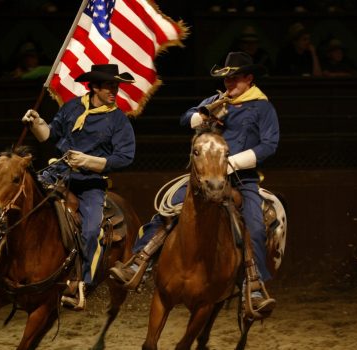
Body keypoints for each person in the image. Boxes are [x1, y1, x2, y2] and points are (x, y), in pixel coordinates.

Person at [109, 52, 279, 317]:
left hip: (240, 178)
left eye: (235, 78)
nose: (230, 83)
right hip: (202, 177)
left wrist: (231, 163)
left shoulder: (262, 107)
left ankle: (254, 285)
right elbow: (184, 118)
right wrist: (203, 115)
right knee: (168, 209)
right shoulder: (216, 100)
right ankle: (139, 261)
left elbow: (269, 145)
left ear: (249, 78)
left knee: (255, 226)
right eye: (227, 78)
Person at [23, 64, 136, 308]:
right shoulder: (72, 107)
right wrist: (36, 123)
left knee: (92, 230)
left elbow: (125, 157)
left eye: (115, 87)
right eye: (109, 86)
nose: (114, 91)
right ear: (94, 86)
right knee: (17, 199)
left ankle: (81, 284)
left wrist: (89, 161)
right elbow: (50, 135)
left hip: (90, 184)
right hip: (58, 173)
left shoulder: (118, 120)